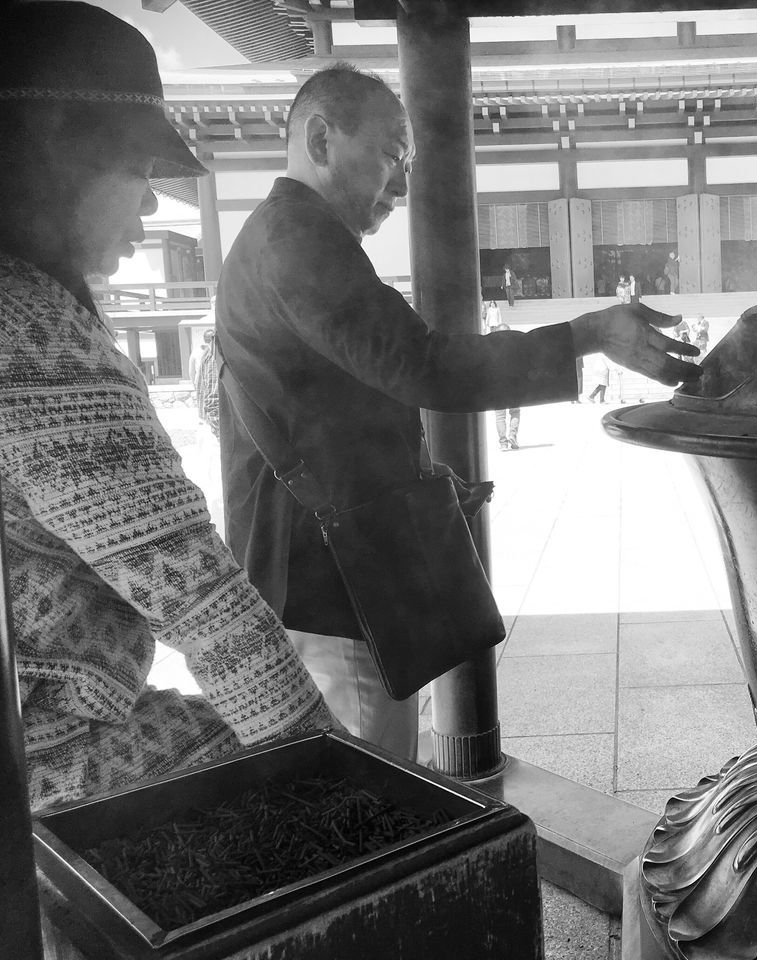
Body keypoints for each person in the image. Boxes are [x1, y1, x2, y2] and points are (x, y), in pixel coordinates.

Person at [216, 64, 700, 760]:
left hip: (324, 567)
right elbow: (423, 365)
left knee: (362, 781)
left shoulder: (278, 237)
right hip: (332, 582)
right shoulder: (298, 240)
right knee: (370, 789)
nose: (404, 186)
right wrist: (588, 334)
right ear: (320, 138)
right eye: (391, 155)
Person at [0, 1, 335, 813]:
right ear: (55, 152)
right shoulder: (33, 338)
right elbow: (197, 595)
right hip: (41, 760)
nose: (150, 207)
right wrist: (344, 779)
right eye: (139, 172)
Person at [491, 323, 520, 450]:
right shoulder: (516, 348)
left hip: (497, 385)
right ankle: (512, 435)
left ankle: (503, 442)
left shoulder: (491, 349)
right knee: (515, 412)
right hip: (514, 384)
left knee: (500, 416)